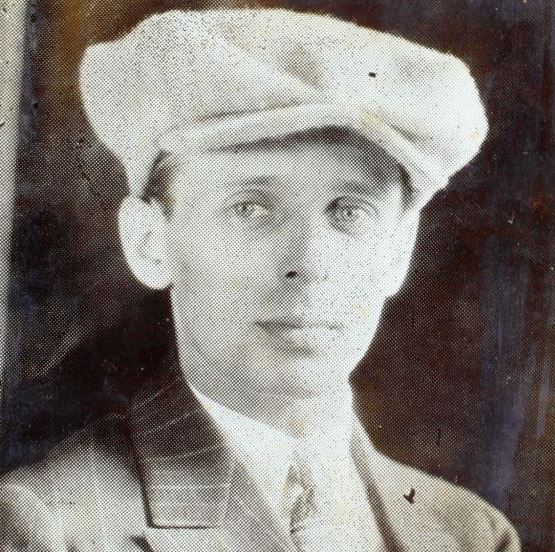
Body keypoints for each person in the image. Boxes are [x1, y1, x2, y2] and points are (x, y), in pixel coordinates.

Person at [0, 8, 520, 552]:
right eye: (251, 209)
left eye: (349, 212)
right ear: (150, 242)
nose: (309, 262)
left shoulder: (471, 536)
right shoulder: (53, 528)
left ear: (399, 251)